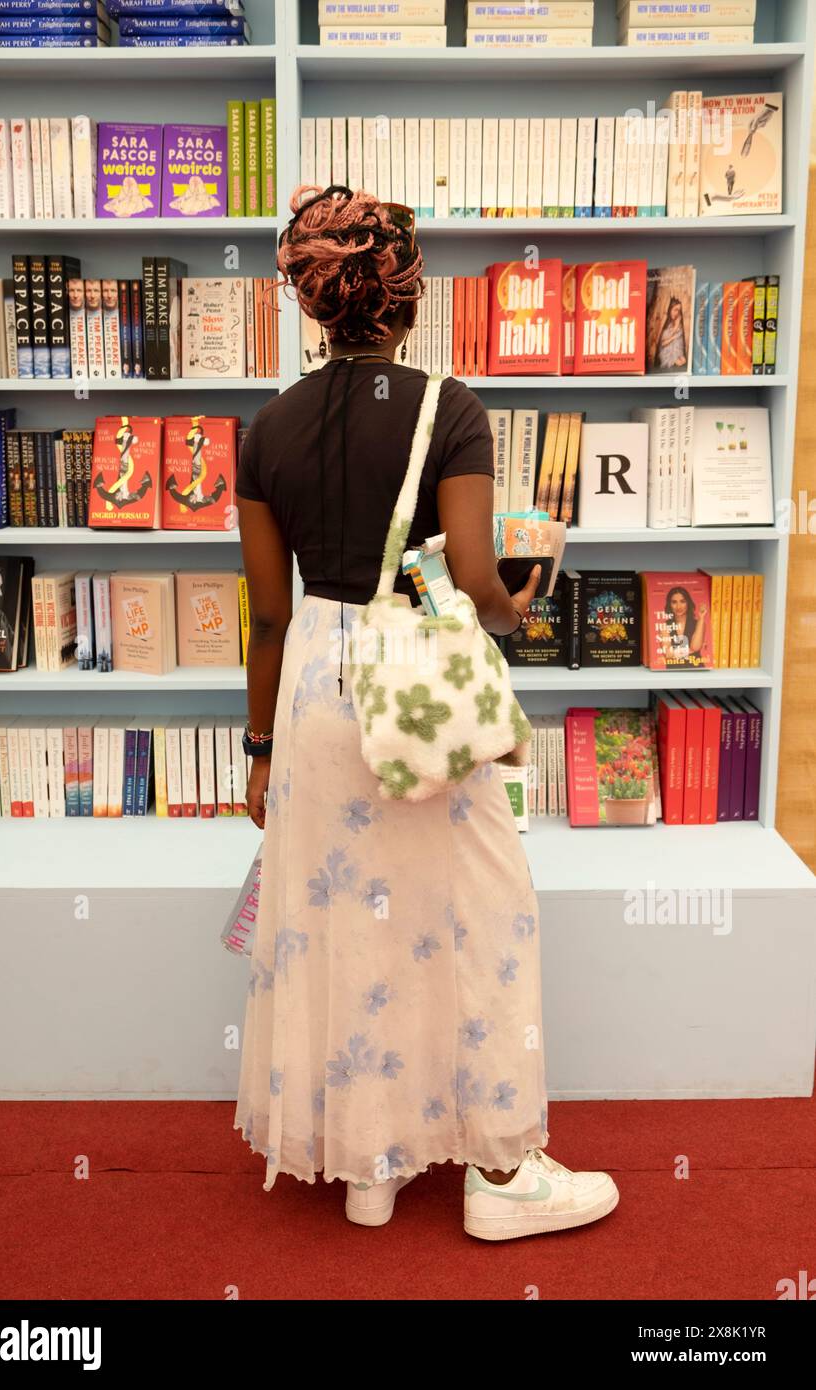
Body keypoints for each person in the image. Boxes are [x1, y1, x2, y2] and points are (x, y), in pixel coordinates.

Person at [233, 184, 619, 1240]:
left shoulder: (263, 429)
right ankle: (503, 1175)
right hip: (421, 698)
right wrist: (520, 598)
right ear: (406, 296)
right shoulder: (450, 409)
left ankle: (370, 1166)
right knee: (481, 920)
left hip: (315, 690)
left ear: (314, 302)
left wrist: (259, 749)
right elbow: (479, 583)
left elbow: (267, 617)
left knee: (346, 928)